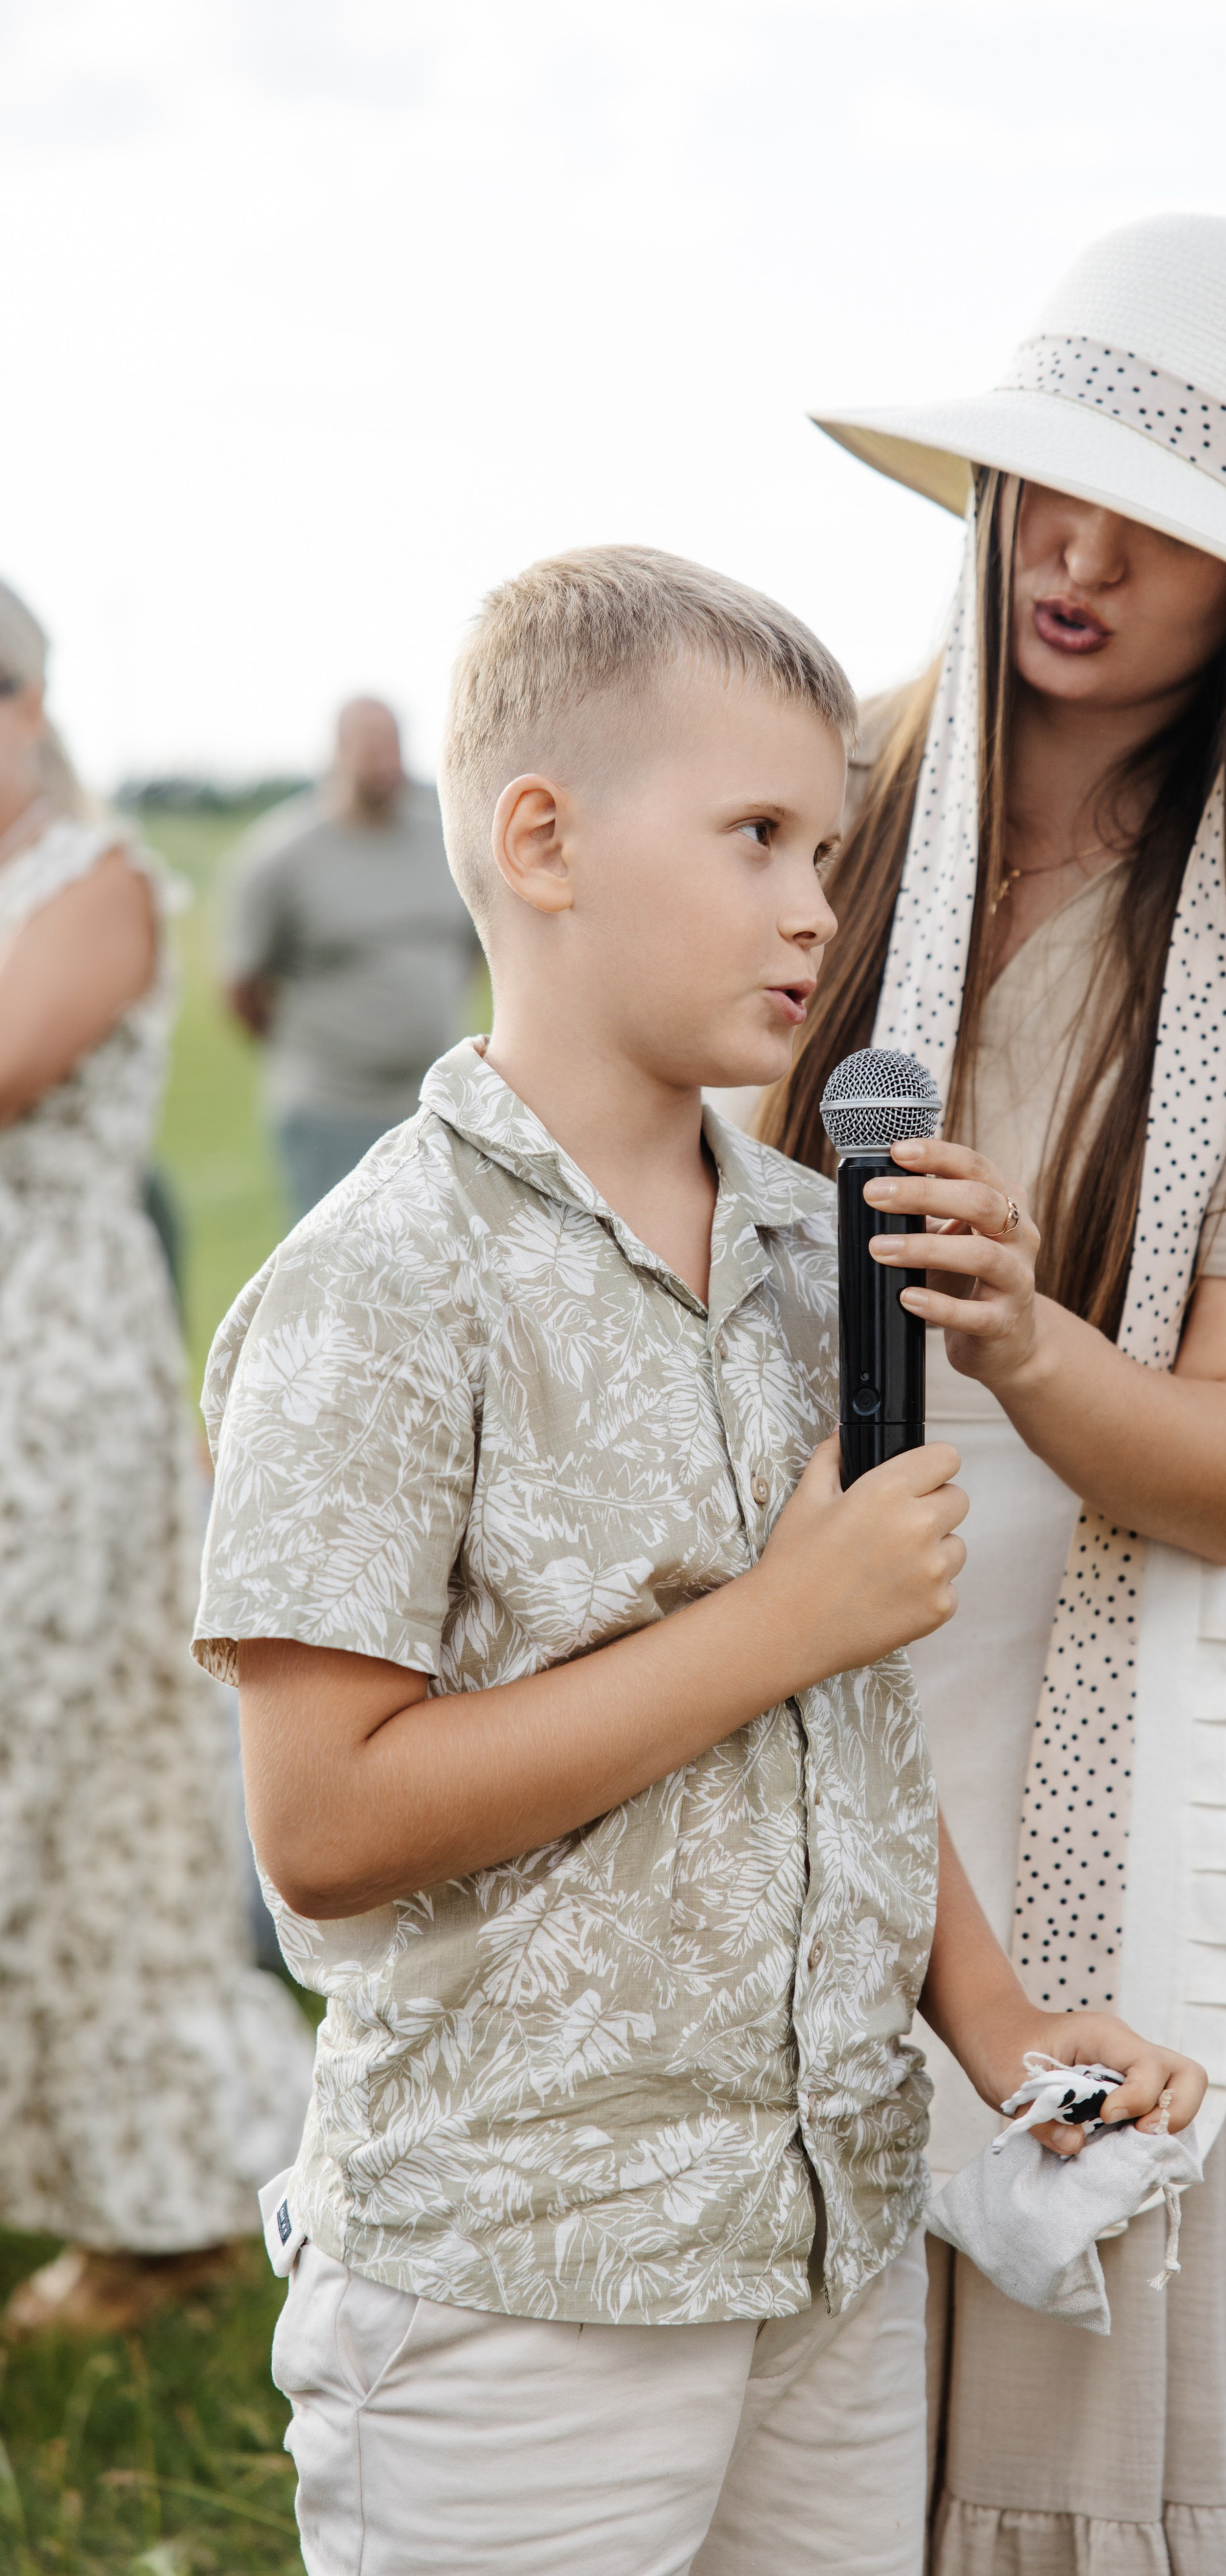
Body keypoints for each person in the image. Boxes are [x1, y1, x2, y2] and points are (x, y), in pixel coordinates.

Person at [193, 547, 1203, 2576]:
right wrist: (776, 1618)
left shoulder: (820, 1256)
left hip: (823, 2228)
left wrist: (995, 2023)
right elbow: (323, 1820)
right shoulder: (378, 1284)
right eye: (755, 833)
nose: (817, 903)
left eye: (828, 843)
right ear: (542, 841)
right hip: (521, 2273)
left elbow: (839, 1718)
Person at [768, 214, 1226, 2571]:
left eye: (1161, 527)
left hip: (1137, 1674)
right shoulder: (837, 793)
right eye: (1042, 485)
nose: (1073, 556)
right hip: (803, 1629)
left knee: (1100, 2378)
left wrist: (1021, 1331)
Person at [0, 580, 312, 2337]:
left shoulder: (97, 882)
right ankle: (126, 2194)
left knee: (67, 1768)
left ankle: (178, 2195)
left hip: (45, 1378)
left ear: (27, 703)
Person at [223, 696, 481, 1220]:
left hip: (437, 1104)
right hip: (331, 1110)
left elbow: (473, 950)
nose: (388, 761)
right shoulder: (283, 856)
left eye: (394, 745)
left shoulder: (446, 842)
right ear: (339, 751)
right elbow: (245, 988)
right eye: (371, 747)